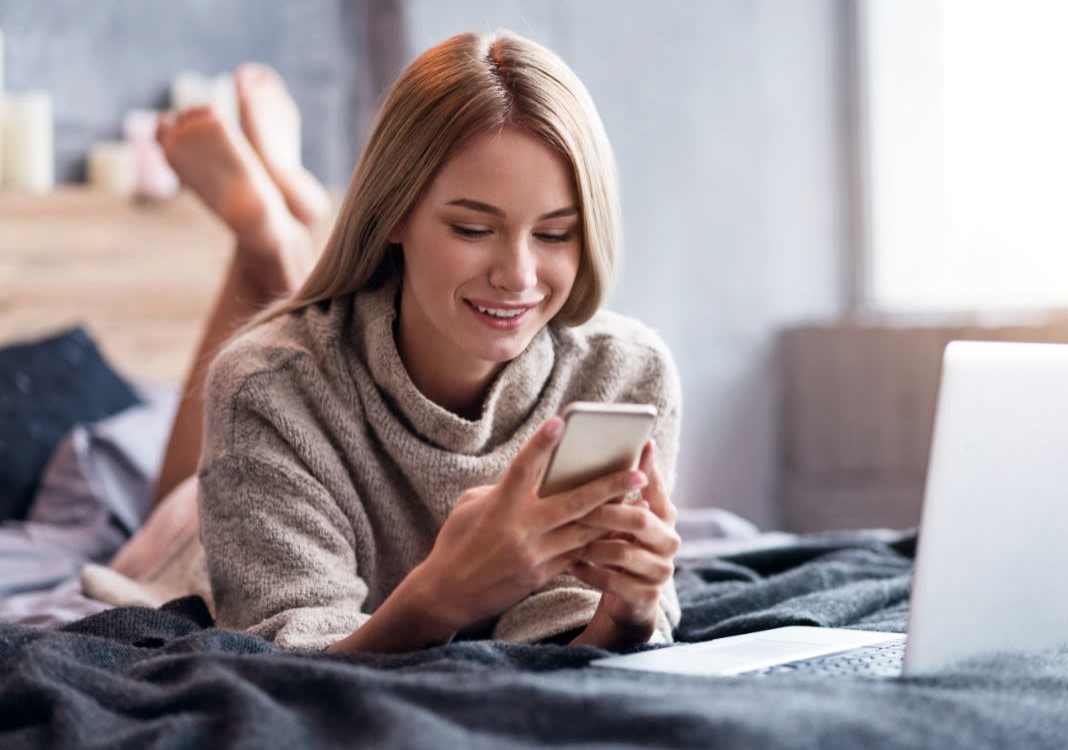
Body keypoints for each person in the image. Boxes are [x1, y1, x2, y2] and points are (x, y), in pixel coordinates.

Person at [90, 30, 684, 655]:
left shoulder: (625, 373)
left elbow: (572, 637)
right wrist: (442, 595)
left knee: (296, 348)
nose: (519, 276)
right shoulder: (265, 391)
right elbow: (289, 658)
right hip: (200, 534)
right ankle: (265, 236)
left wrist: (631, 609)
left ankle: (280, 215)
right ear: (393, 212)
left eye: (556, 235)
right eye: (473, 227)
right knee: (203, 460)